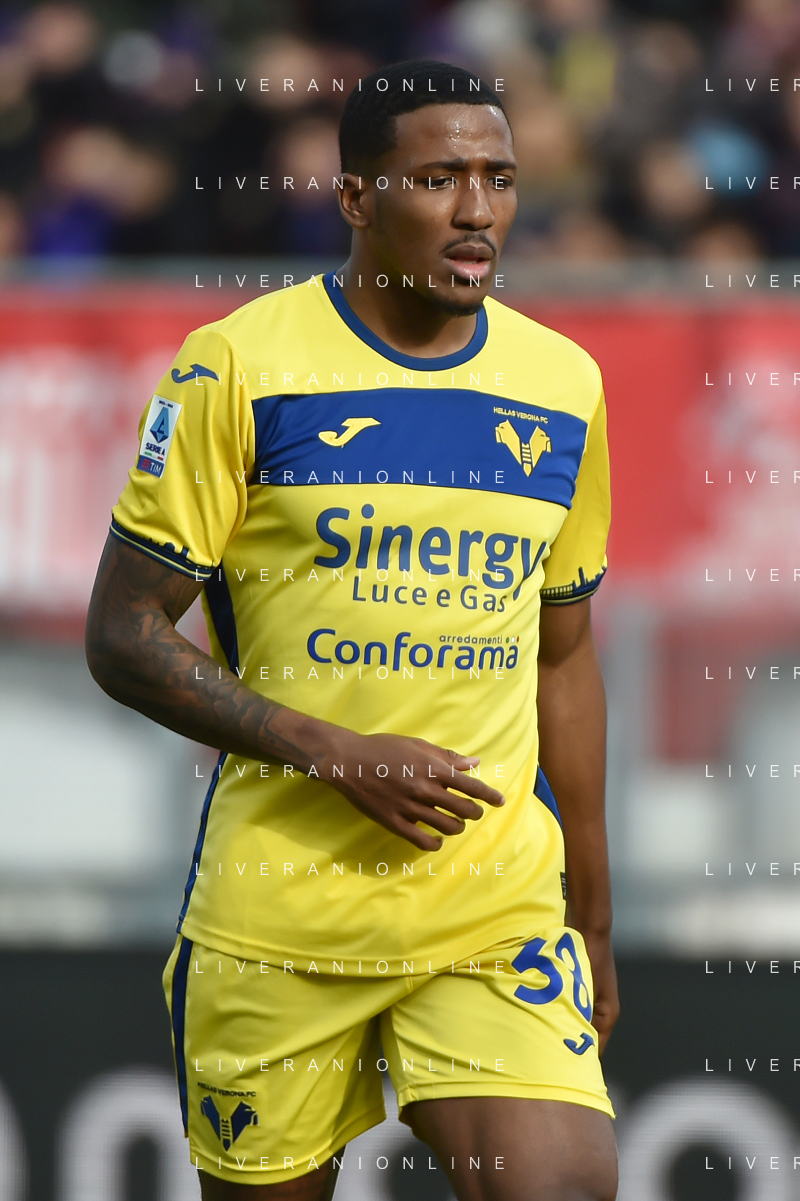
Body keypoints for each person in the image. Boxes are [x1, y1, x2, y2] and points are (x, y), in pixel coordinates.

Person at [85, 59, 618, 1201]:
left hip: (492, 909)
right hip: (279, 915)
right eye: (437, 178)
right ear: (357, 198)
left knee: (562, 1186)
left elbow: (565, 656)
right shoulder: (239, 365)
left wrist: (595, 918)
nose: (476, 211)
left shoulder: (562, 384)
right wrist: (333, 752)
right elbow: (122, 633)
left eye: (498, 178)